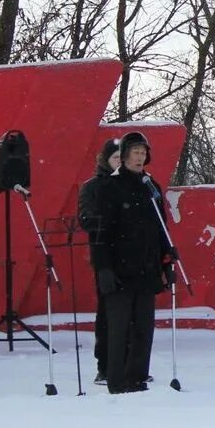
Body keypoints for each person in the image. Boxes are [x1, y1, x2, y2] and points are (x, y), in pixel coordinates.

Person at [90, 132, 175, 394]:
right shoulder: (109, 188)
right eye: (135, 152)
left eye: (143, 153)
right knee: (118, 328)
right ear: (124, 156)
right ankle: (116, 380)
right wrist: (102, 267)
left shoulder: (151, 186)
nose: (139, 158)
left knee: (143, 327)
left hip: (147, 267)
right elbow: (100, 234)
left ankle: (137, 377)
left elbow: (161, 228)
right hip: (119, 268)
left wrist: (166, 262)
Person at [77, 138, 120, 384]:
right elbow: (86, 218)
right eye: (115, 158)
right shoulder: (93, 187)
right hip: (105, 255)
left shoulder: (137, 184)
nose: (118, 163)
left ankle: (130, 362)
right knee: (107, 313)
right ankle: (104, 364)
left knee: (132, 315)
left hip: (133, 258)